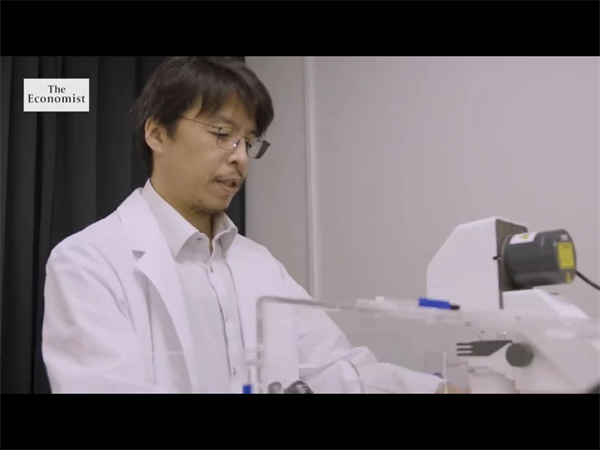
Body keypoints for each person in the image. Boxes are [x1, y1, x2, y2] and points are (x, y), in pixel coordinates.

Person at [41, 56, 462, 394]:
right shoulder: (89, 262)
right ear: (157, 134)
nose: (240, 157)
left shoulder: (260, 265)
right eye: (221, 133)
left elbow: (335, 370)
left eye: (248, 141)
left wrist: (441, 390)